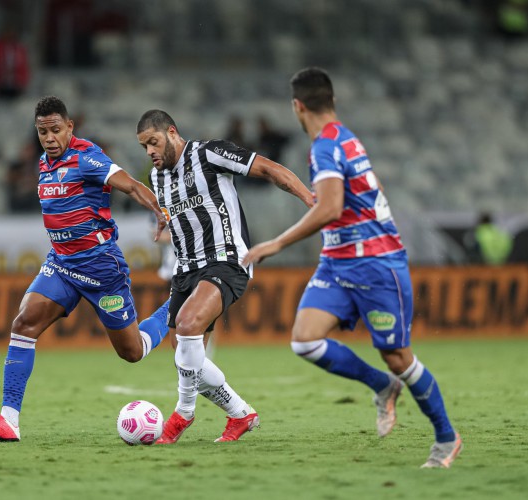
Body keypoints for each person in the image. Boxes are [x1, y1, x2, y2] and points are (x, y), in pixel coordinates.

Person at [243, 67, 463, 468]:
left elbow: (330, 207)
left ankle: (446, 438)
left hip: (376, 263)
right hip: (338, 261)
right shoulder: (343, 138)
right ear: (333, 101)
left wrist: (276, 242)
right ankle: (382, 386)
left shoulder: (326, 147)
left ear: (297, 106)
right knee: (305, 340)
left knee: (399, 357)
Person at [0, 96, 170, 442]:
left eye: (56, 130)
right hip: (61, 264)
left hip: (100, 266)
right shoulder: (44, 164)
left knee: (132, 352)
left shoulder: (87, 157)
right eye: (42, 131)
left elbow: (132, 186)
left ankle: (175, 307)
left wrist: (160, 213)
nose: (49, 138)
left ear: (70, 127)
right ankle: (8, 420)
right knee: (24, 323)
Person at [136, 109, 313, 443]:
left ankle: (182, 414)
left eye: (153, 142)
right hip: (185, 270)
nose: (149, 152)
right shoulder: (157, 178)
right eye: (144, 146)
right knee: (186, 359)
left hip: (226, 260)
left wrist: (311, 200)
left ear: (172, 132)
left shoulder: (210, 153)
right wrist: (161, 221)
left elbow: (269, 169)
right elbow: (170, 215)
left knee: (188, 325)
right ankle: (241, 414)